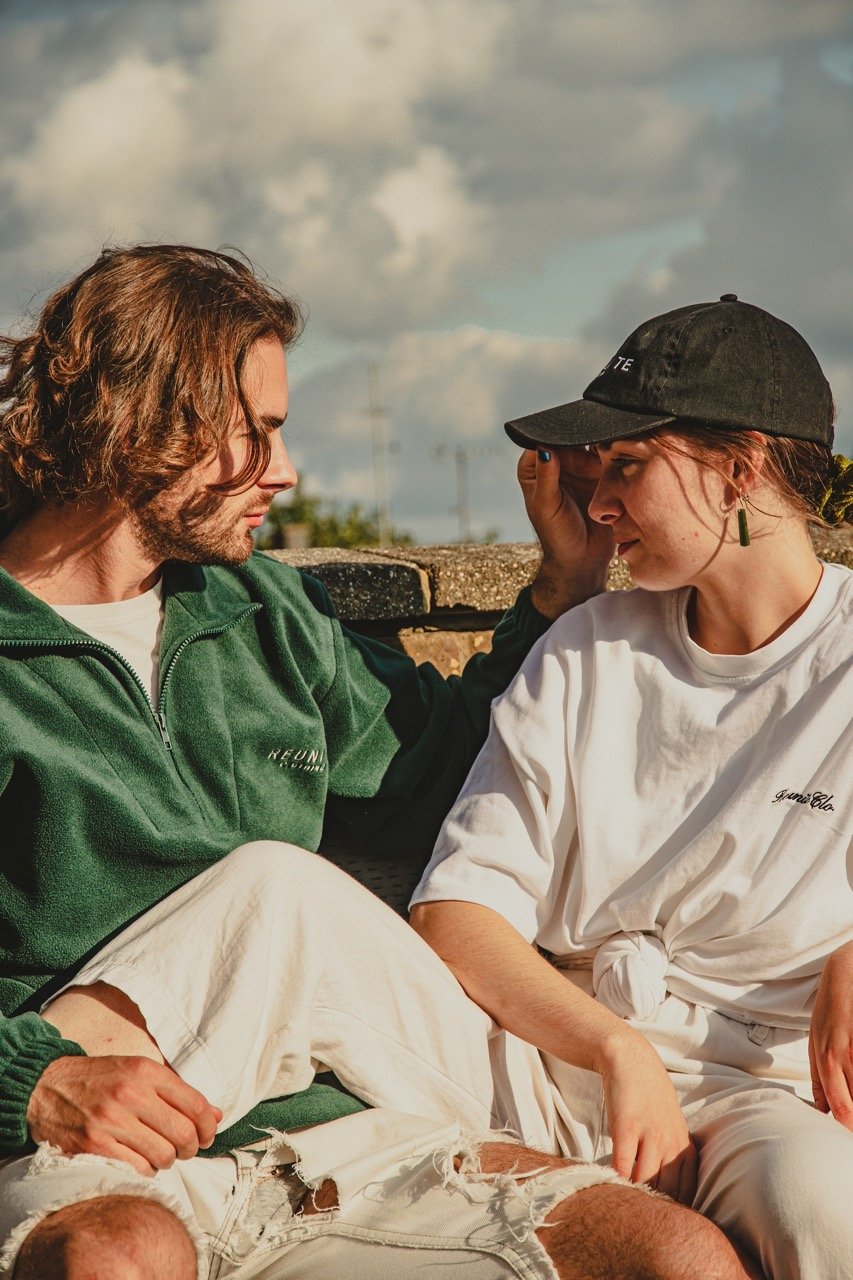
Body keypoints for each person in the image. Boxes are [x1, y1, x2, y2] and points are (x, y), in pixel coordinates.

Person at [0, 246, 753, 1280]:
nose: (285, 471)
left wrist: (559, 589)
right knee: (118, 1256)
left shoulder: (264, 614)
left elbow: (445, 771)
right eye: (257, 431)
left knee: (676, 1255)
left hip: (342, 1136)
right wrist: (33, 1082)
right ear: (141, 425)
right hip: (108, 1144)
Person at [410, 294, 853, 1280]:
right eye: (592, 473)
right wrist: (617, 1049)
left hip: (764, 1095)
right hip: (546, 1070)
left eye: (626, 467)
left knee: (828, 1211)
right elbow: (456, 911)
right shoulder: (582, 652)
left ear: (739, 470)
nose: (598, 505)